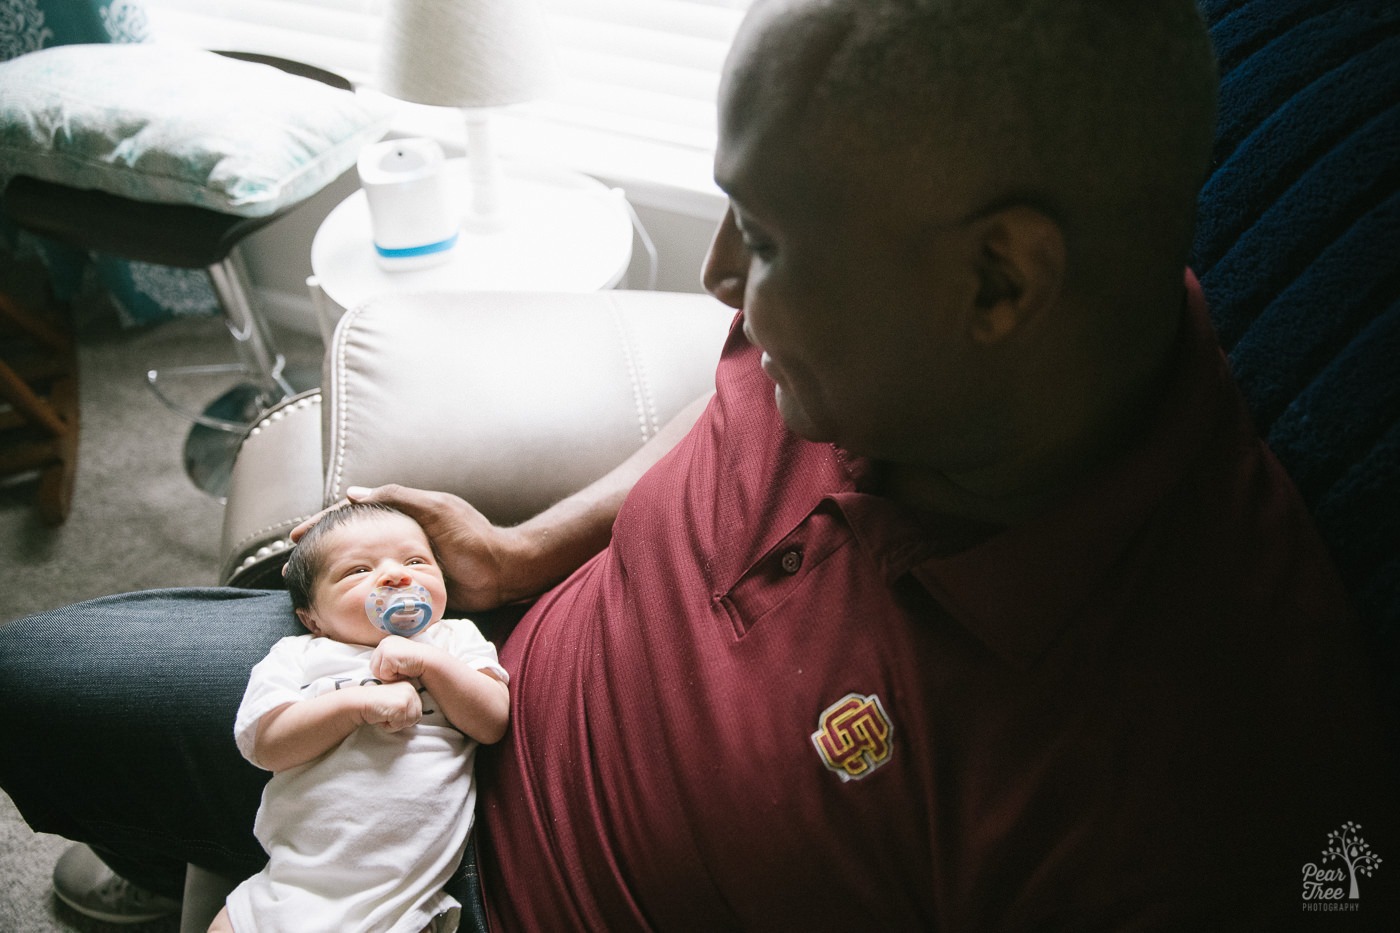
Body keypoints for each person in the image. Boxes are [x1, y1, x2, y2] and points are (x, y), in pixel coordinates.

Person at [0, 0, 1395, 929]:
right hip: (464, 683)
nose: (722, 288)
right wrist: (525, 553)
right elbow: (732, 397)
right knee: (37, 689)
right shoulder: (889, 346)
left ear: (1000, 279)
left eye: (768, 241)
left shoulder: (1198, 788)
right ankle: (163, 845)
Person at [208, 502, 509, 933]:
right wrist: (355, 707)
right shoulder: (299, 655)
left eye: (416, 561)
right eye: (357, 571)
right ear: (311, 618)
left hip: (402, 903)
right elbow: (266, 745)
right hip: (293, 883)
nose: (395, 575)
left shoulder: (453, 639)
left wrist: (430, 664)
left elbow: (493, 721)